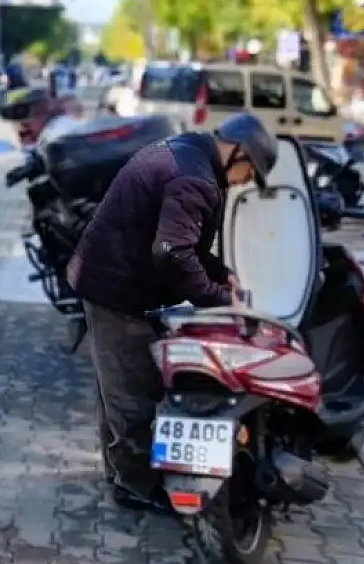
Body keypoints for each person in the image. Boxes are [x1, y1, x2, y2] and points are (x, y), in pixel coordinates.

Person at [64, 113, 276, 511]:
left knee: (118, 387)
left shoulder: (190, 152)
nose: (246, 182)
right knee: (132, 395)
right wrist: (215, 297)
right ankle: (136, 486)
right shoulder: (194, 178)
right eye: (250, 173)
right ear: (239, 153)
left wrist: (220, 273)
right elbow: (172, 253)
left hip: (111, 277)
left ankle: (122, 472)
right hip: (116, 289)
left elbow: (183, 242)